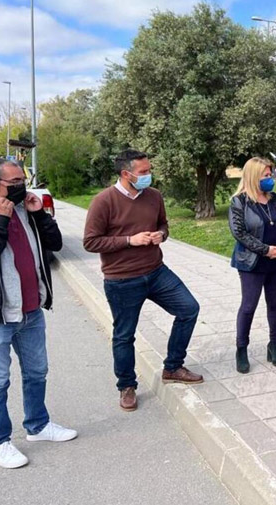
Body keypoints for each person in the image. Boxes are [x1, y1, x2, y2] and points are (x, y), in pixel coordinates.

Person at [0, 158, 77, 469]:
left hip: (32, 310)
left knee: (37, 372)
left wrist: (40, 214)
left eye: (24, 179)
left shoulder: (27, 209)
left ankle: (38, 425)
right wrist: (0, 221)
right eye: (15, 182)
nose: (23, 186)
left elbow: (56, 244)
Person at [83, 149, 202, 412]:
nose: (149, 175)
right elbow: (90, 242)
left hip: (156, 271)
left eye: (149, 170)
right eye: (144, 172)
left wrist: (161, 234)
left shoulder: (154, 196)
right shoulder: (104, 201)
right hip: (122, 279)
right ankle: (127, 385)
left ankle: (172, 367)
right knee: (124, 335)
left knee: (189, 309)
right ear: (126, 174)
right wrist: (129, 240)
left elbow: (163, 225)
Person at [229, 157, 276, 373]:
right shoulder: (239, 202)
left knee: (275, 305)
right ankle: (241, 349)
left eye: (270, 175)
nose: (270, 179)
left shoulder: (274, 199)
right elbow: (239, 232)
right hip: (252, 263)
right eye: (265, 175)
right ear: (254, 176)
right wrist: (266, 250)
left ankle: (274, 346)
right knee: (248, 306)